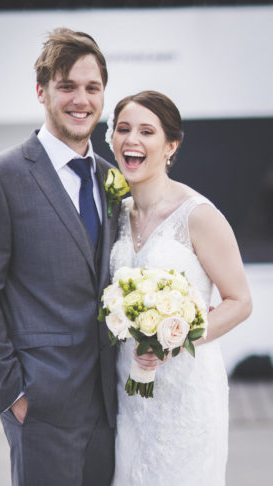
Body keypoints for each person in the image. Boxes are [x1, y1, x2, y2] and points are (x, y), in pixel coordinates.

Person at [0, 28, 120, 486]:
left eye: (92, 88)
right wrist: (13, 395)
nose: (80, 100)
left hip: (112, 409)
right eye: (67, 86)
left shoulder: (113, 180)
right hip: (42, 410)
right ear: (41, 91)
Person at [108, 91, 252, 485]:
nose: (131, 140)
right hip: (130, 390)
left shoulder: (199, 215)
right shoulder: (117, 213)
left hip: (186, 392)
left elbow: (240, 302)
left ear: (170, 146)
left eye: (146, 131)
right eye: (123, 129)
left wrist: (173, 336)